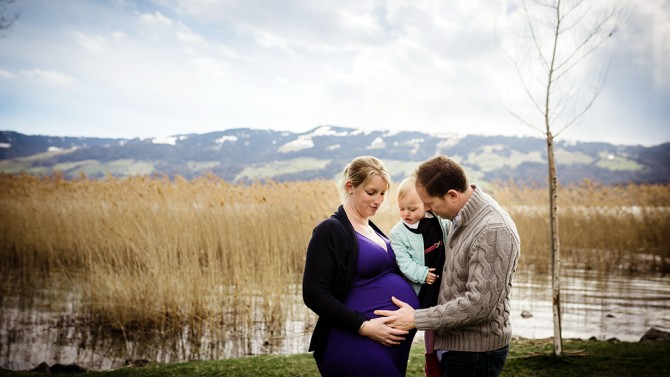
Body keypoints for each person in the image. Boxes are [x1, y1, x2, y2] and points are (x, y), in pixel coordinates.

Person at [375, 155, 521, 377]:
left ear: (452, 195)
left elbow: (479, 304)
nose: (425, 210)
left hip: (474, 353)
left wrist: (416, 318)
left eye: (430, 204)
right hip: (453, 345)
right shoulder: (460, 217)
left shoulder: (492, 230)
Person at [302, 156, 420, 377]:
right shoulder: (330, 230)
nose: (378, 200)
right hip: (355, 342)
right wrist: (364, 326)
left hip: (387, 348)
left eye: (383, 193)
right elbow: (314, 293)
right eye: (371, 192)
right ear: (350, 187)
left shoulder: (373, 229)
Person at [389, 177, 450, 377]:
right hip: (423, 284)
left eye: (413, 209)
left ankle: (442, 354)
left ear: (425, 205)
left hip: (444, 279)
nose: (406, 213)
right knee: (426, 321)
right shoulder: (398, 233)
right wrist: (422, 274)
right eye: (402, 208)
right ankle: (429, 357)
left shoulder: (438, 220)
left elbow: (450, 236)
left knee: (442, 318)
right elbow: (403, 262)